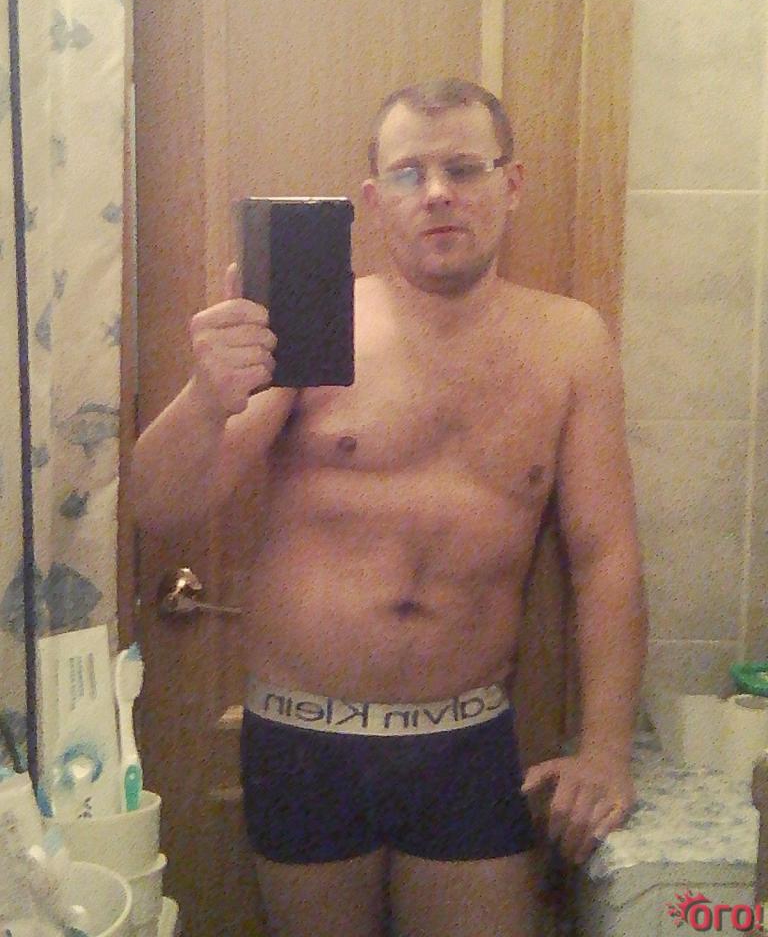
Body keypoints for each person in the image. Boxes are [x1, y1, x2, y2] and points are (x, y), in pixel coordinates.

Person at [130, 78, 647, 937]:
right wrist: (204, 397)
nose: (437, 192)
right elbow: (159, 505)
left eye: (464, 168)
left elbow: (606, 556)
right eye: (409, 173)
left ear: (512, 183)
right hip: (302, 739)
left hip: (467, 739)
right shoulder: (313, 324)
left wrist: (607, 750)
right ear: (374, 201)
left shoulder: (571, 341)